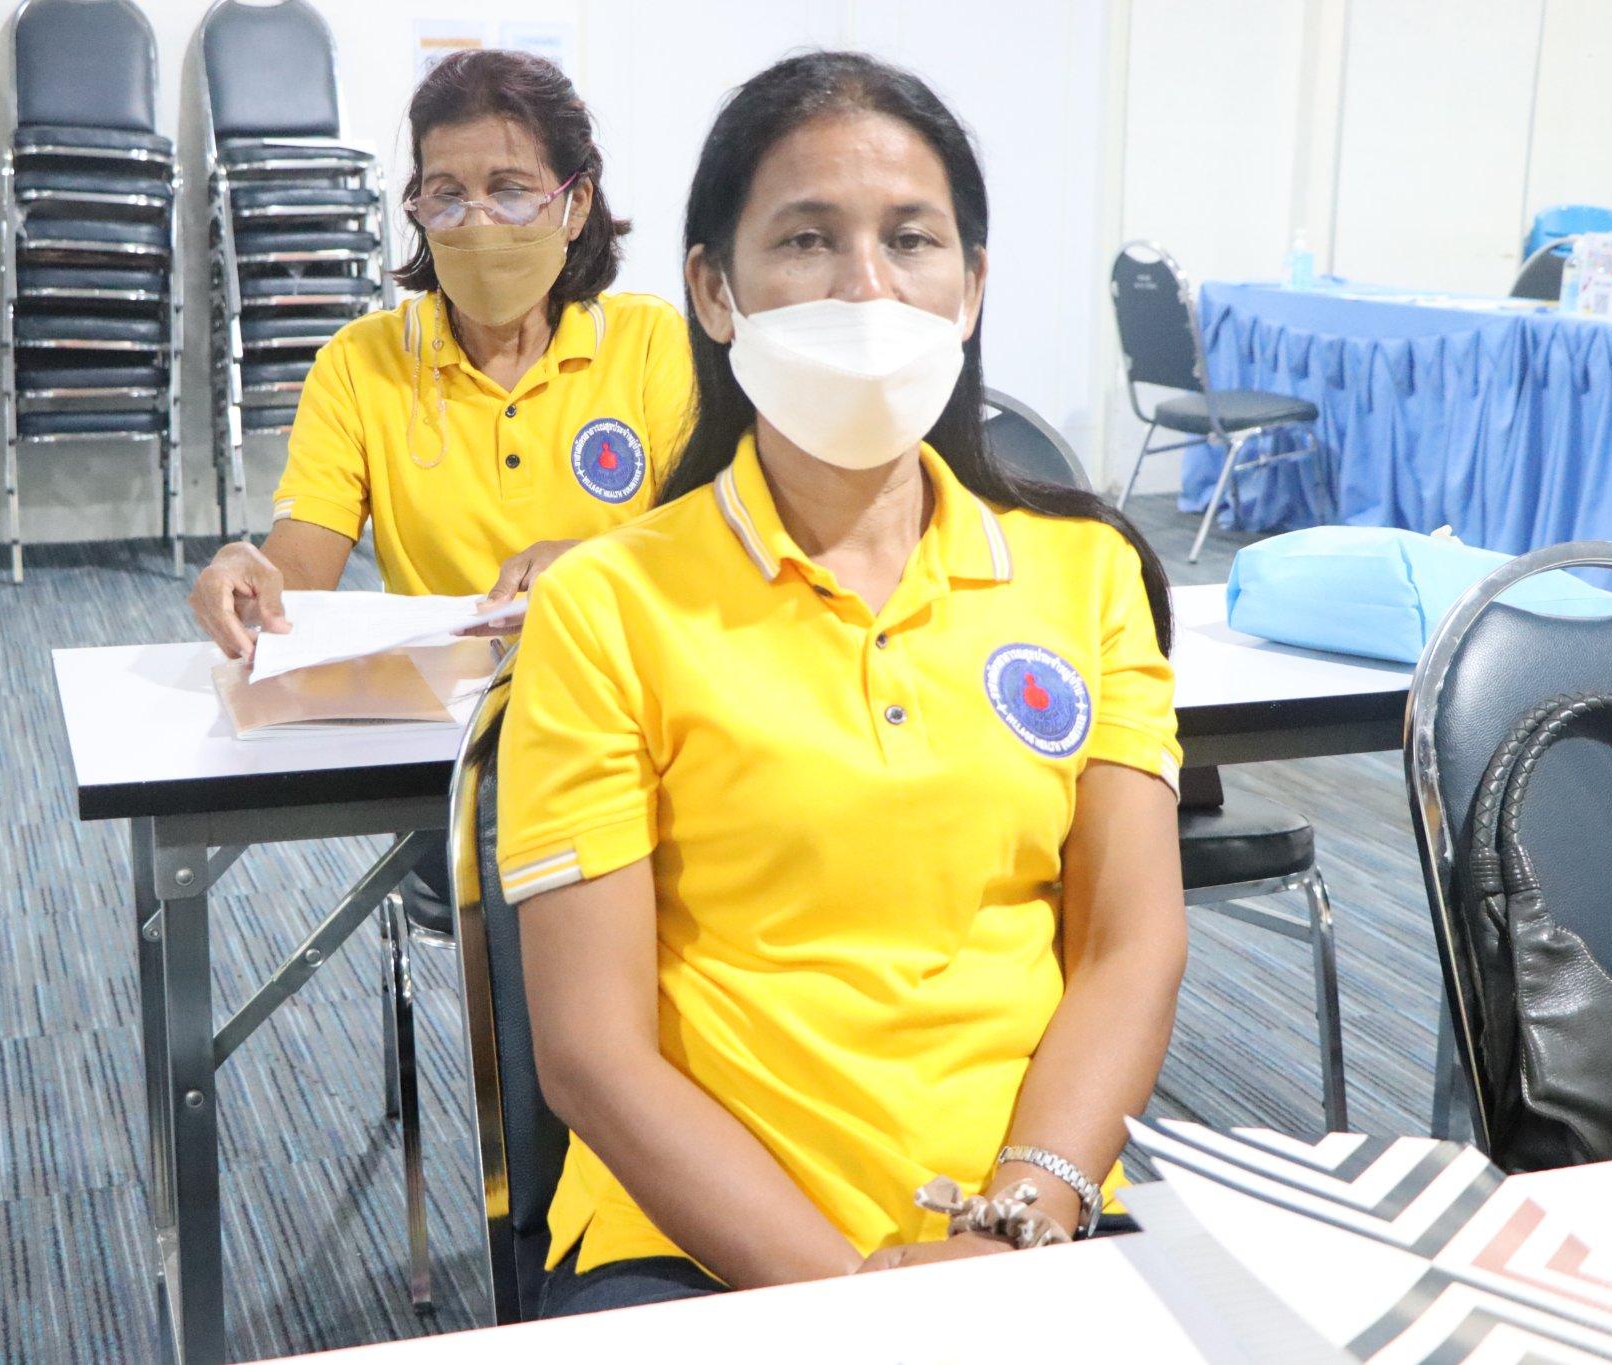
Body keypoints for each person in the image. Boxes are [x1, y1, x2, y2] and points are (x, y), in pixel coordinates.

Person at [494, 52, 1188, 1318]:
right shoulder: (605, 606)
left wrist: (1022, 1215)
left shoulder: (1088, 574)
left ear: (970, 288)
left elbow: (1128, 947)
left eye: (911, 240)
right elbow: (590, 1052)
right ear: (714, 290)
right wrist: (865, 1304)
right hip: (701, 1239)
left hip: (1034, 1215)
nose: (866, 287)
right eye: (806, 240)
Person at [188, 49, 692, 658]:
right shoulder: (362, 362)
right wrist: (250, 578)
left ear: (576, 204)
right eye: (448, 196)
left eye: (510, 192)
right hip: (439, 694)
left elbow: (707, 543)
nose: (477, 224)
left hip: (612, 676)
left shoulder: (648, 343)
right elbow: (301, 563)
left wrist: (598, 567)